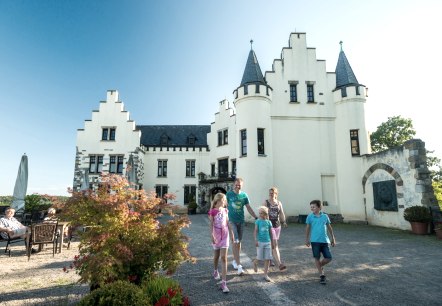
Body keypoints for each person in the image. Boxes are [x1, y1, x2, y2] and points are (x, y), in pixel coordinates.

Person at [226, 177, 258, 275]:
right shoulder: (229, 194)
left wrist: (256, 217)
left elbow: (248, 207)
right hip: (232, 221)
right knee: (235, 240)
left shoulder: (244, 195)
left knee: (238, 242)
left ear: (242, 185)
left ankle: (235, 260)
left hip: (241, 221)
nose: (238, 185)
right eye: (236, 184)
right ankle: (239, 266)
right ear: (233, 184)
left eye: (239, 184)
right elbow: (224, 206)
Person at [305, 200, 336, 285]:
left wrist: (333, 238)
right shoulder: (310, 217)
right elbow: (307, 228)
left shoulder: (325, 216)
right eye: (311, 207)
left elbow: (329, 227)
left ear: (319, 207)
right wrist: (307, 239)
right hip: (314, 241)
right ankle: (321, 275)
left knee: (328, 258)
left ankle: (319, 266)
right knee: (317, 258)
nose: (312, 208)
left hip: (325, 241)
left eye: (314, 207)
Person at [208, 193, 234, 293]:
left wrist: (231, 233)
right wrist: (212, 235)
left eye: (225, 200)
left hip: (225, 235)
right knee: (216, 256)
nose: (225, 202)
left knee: (224, 258)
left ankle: (224, 283)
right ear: (218, 200)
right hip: (216, 235)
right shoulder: (212, 212)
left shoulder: (225, 210)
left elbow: (227, 222)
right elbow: (211, 224)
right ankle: (215, 271)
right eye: (223, 200)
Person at [264, 187, 287, 271]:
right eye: (270, 193)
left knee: (272, 244)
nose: (271, 194)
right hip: (269, 226)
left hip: (277, 226)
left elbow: (281, 213)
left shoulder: (279, 203)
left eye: (272, 193)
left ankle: (270, 259)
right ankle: (280, 263)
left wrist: (284, 221)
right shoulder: (266, 202)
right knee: (275, 244)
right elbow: (262, 213)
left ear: (276, 194)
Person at [253, 206, 275, 282]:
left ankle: (265, 274)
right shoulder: (258, 221)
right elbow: (255, 231)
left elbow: (271, 233)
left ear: (265, 213)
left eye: (261, 213)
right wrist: (256, 240)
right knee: (259, 257)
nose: (260, 215)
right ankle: (255, 262)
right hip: (260, 242)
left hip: (268, 242)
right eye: (259, 213)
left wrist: (272, 242)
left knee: (267, 258)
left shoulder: (269, 222)